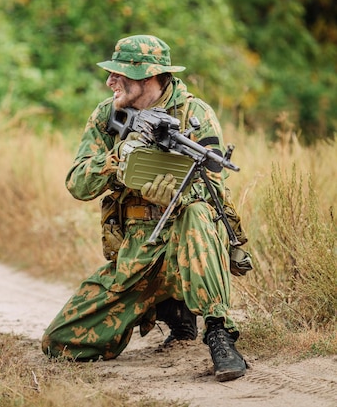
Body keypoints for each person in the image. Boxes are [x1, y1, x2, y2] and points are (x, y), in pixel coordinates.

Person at [41, 35, 248, 382]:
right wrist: (118, 160)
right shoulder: (109, 114)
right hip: (138, 249)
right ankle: (166, 308)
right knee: (59, 343)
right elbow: (77, 183)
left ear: (150, 75)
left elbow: (215, 192)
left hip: (185, 242)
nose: (110, 81)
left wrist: (175, 195)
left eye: (119, 75)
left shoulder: (195, 115)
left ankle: (219, 333)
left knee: (197, 214)